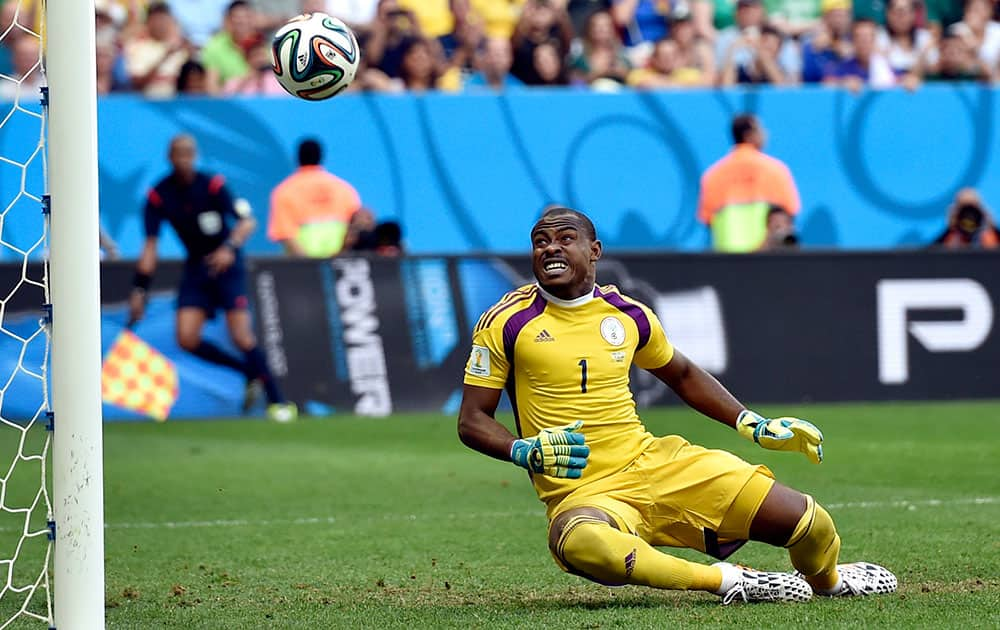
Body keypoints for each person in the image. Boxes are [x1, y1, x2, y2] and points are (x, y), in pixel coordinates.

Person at [457, 206, 898, 604]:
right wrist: (524, 450)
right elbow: (472, 419)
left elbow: (682, 374)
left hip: (656, 464)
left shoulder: (628, 314)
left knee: (807, 521)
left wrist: (753, 424)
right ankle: (728, 581)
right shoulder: (507, 321)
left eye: (564, 238)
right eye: (540, 241)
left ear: (594, 251)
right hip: (584, 493)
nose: (550, 248)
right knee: (582, 544)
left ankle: (831, 583)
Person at [129, 134, 297, 422]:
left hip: (228, 264)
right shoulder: (159, 195)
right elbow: (150, 247)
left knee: (242, 336)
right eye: (178, 154)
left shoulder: (213, 185)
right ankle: (247, 372)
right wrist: (140, 290)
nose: (183, 159)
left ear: (195, 156)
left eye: (188, 153)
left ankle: (278, 402)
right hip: (197, 267)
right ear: (169, 157)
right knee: (186, 338)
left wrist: (229, 248)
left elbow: (247, 222)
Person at [697, 114, 800, 252]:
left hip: (727, 261)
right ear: (749, 135)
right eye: (761, 129)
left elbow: (707, 219)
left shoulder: (713, 175)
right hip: (765, 259)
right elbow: (789, 212)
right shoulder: (776, 170)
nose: (765, 134)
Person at [268, 138, 363, 257]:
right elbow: (355, 229)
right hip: (339, 263)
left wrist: (310, 266)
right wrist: (339, 257)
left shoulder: (284, 191)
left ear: (297, 158)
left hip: (303, 267)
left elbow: (286, 234)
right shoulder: (344, 188)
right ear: (322, 158)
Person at [931, 188, 999, 249]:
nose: (969, 216)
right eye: (964, 210)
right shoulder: (951, 236)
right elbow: (930, 254)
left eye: (972, 210)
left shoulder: (989, 235)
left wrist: (991, 225)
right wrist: (951, 229)